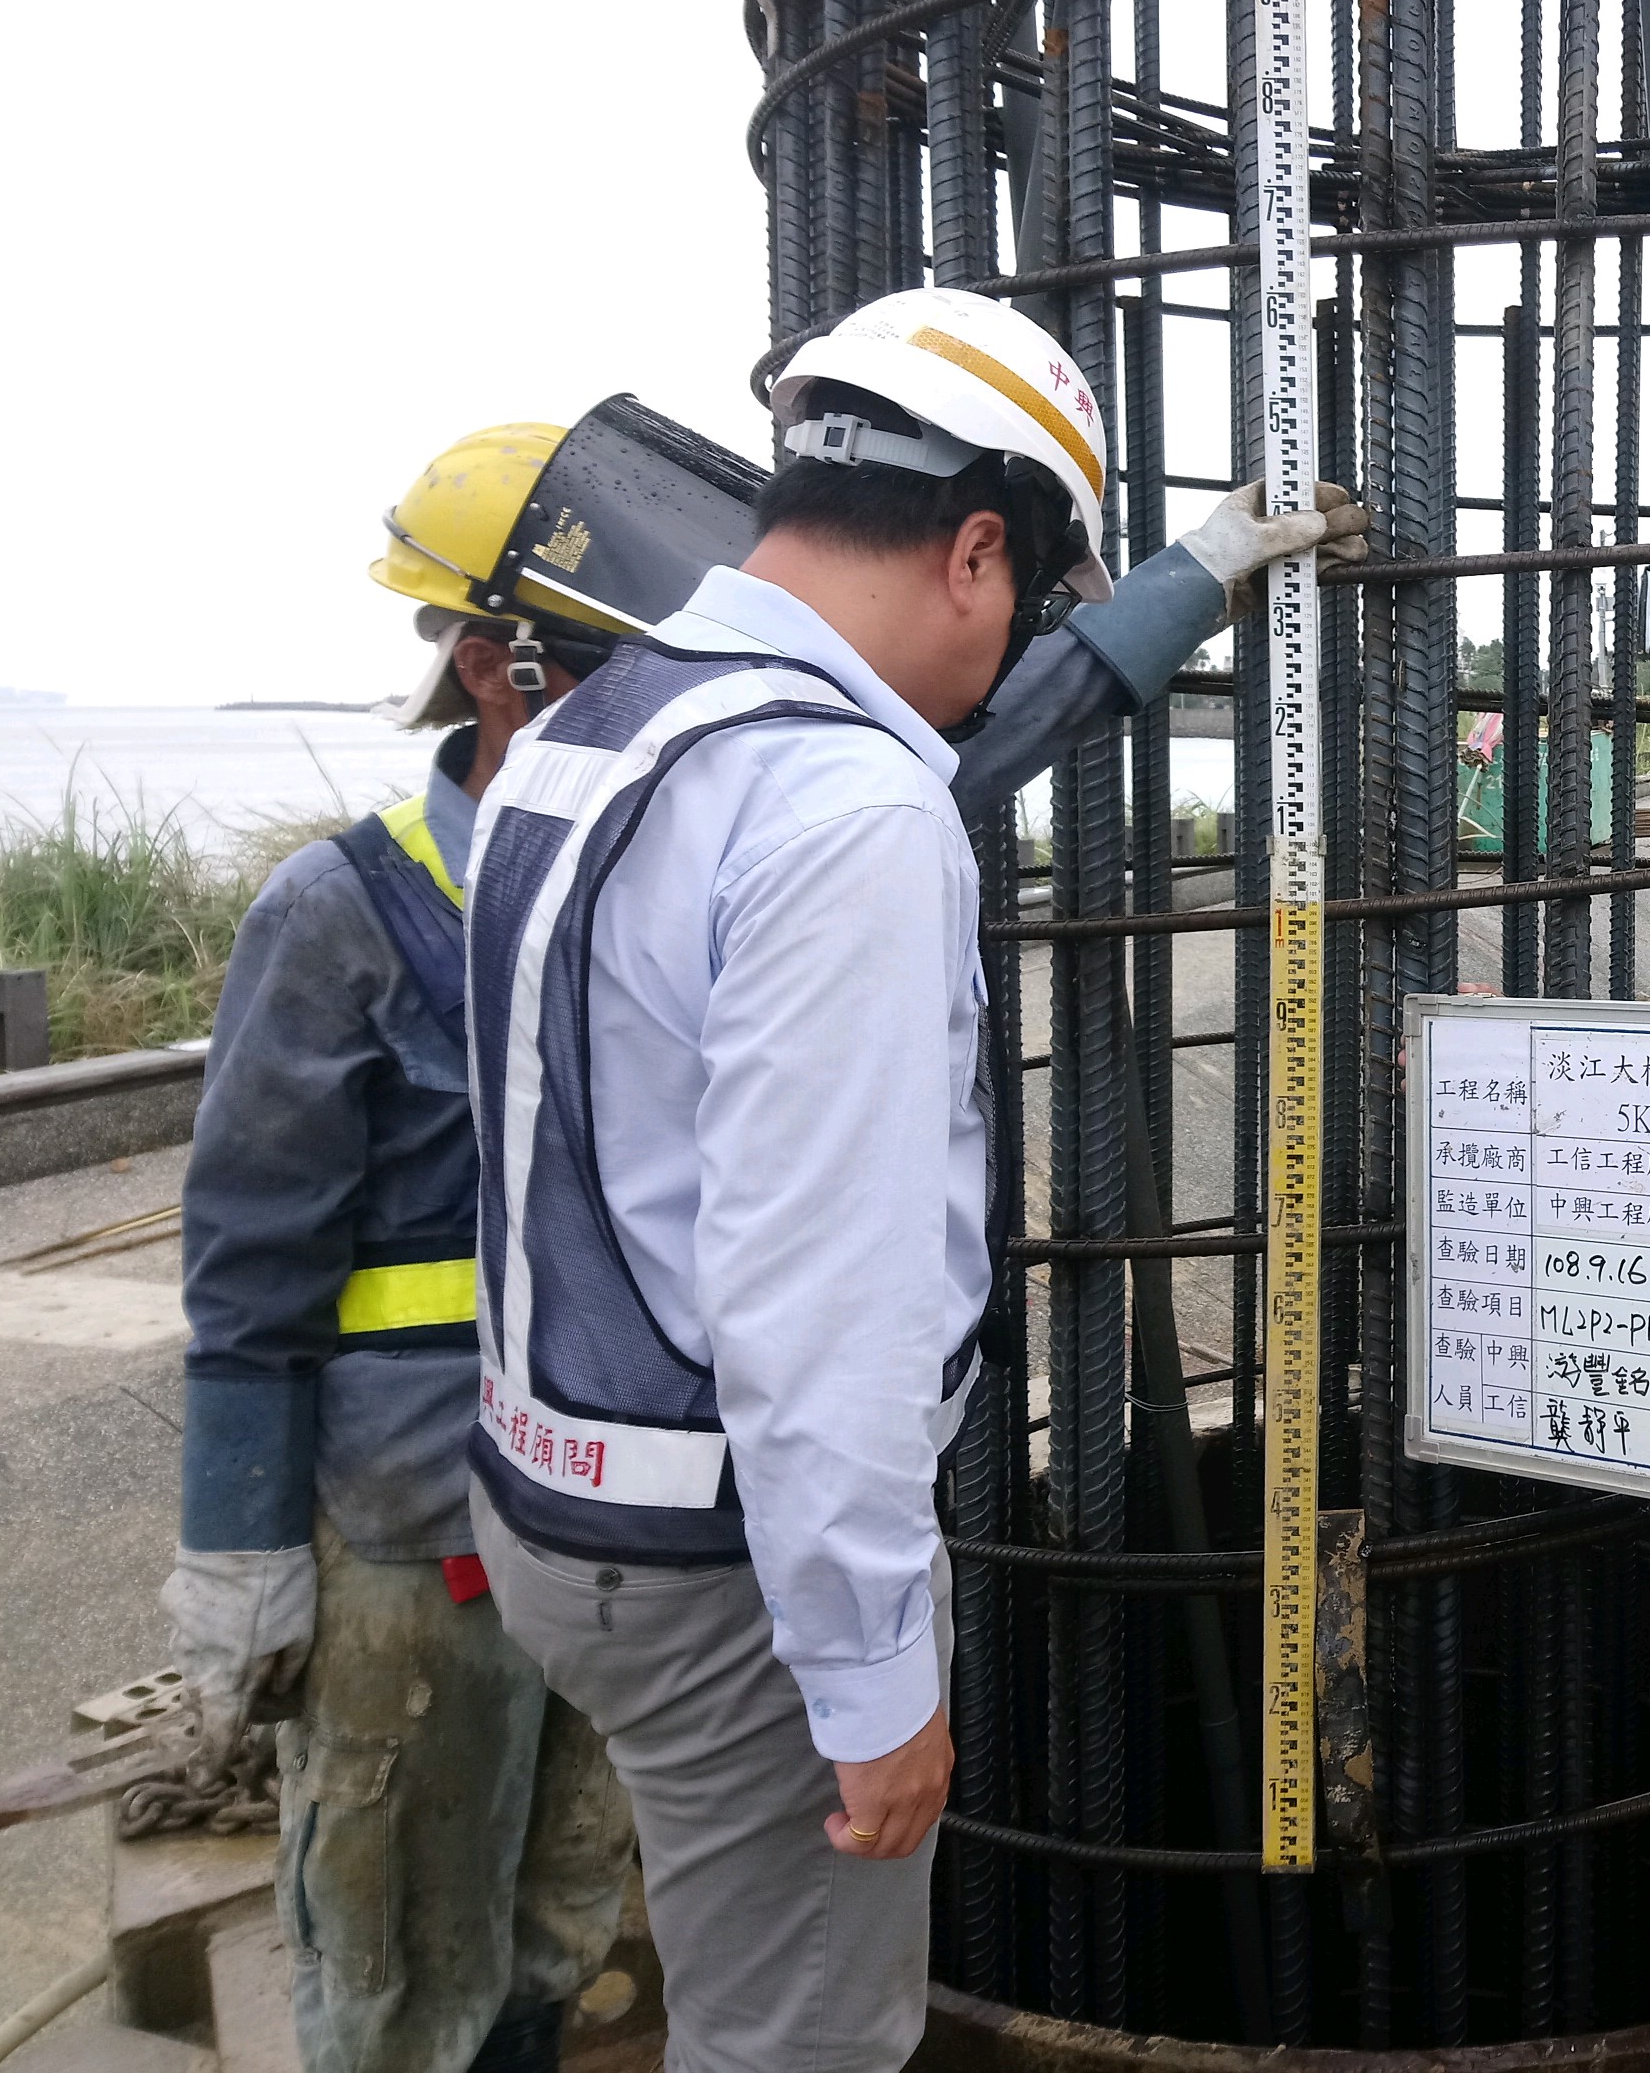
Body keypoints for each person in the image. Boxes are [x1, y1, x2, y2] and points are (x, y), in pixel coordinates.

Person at [460, 287, 1368, 2073]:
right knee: (799, 2033)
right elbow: (824, 1306)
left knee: (730, 1963)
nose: (1012, 635)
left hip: (557, 1496)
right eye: (1023, 591)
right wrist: (871, 1683)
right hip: (732, 1564)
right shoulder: (841, 812)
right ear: (971, 549)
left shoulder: (596, 732)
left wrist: (1178, 582)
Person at [168, 401, 762, 2072]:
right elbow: (249, 1263)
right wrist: (237, 1546)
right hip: (416, 1551)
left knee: (559, 1924)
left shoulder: (638, 882)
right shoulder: (338, 916)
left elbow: (944, 747)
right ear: (508, 667)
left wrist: (1174, 593)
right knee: (397, 1964)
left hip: (595, 1528)